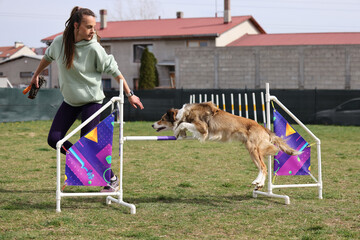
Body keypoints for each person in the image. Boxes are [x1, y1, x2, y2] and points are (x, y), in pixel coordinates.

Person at [30, 6, 144, 192]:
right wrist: (35, 75)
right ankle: (83, 164)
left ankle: (111, 180)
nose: (93, 31)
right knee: (54, 139)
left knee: (87, 146)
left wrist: (130, 94)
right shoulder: (59, 43)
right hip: (70, 101)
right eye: (89, 27)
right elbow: (47, 57)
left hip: (92, 101)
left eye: (94, 27)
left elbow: (116, 72)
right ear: (76, 26)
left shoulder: (95, 48)